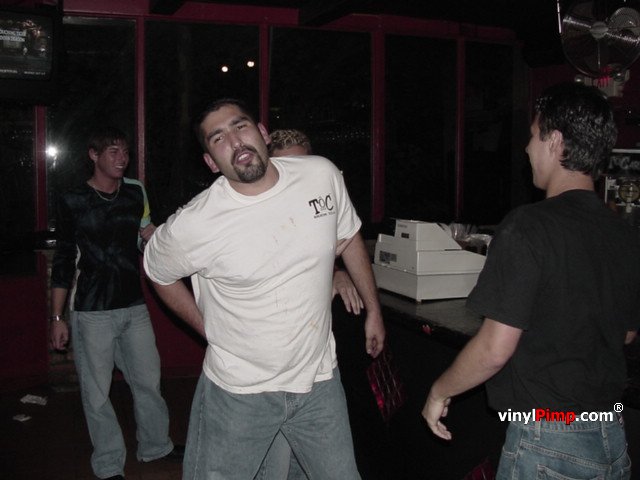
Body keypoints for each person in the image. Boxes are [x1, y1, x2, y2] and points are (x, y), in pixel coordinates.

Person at [143, 98, 385, 480]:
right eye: (218, 138)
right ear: (210, 162)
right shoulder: (195, 223)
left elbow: (349, 235)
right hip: (239, 392)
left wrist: (374, 309)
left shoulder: (320, 175)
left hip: (319, 383)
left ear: (262, 132)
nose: (235, 141)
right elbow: (158, 272)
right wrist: (207, 328)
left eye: (240, 126)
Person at [422, 82, 640, 479]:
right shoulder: (624, 233)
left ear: (554, 142)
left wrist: (440, 390)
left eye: (533, 135)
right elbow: (625, 333)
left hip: (549, 442)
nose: (526, 148)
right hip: (611, 436)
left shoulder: (527, 226)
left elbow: (494, 349)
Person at [49, 126, 183, 480]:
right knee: (97, 394)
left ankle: (156, 446)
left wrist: (152, 238)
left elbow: (140, 239)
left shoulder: (135, 192)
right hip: (92, 311)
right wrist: (57, 317)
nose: (122, 158)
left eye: (125, 151)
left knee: (148, 382)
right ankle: (109, 464)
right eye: (113, 151)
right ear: (94, 155)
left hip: (134, 305)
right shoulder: (73, 200)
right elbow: (63, 259)